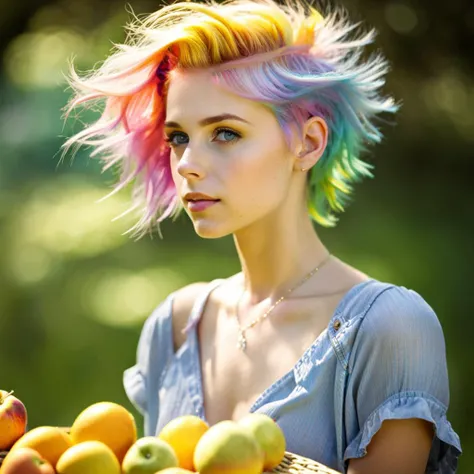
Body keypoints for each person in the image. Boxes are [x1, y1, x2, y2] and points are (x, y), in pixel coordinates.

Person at [62, 0, 462, 472]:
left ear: (308, 142)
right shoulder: (172, 328)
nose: (187, 163)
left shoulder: (390, 329)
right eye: (178, 137)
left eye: (225, 133)